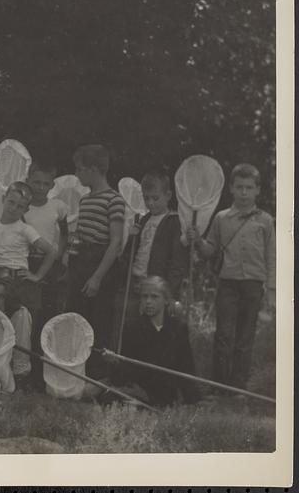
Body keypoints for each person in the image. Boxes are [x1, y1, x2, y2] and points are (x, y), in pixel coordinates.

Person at [187, 163, 276, 389]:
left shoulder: (265, 220)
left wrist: (272, 289)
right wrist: (197, 240)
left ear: (258, 190)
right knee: (224, 336)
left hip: (253, 286)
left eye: (249, 187)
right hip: (227, 285)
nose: (244, 192)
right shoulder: (221, 218)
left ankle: (238, 387)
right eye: (239, 187)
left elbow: (271, 256)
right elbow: (209, 251)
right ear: (232, 190)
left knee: (245, 339)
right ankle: (219, 386)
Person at [0, 181, 56, 363]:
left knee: (23, 323)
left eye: (20, 206)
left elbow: (51, 251)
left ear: (25, 210)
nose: (14, 208)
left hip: (20, 282)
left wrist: (37, 276)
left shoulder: (25, 230)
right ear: (3, 199)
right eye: (11, 202)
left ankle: (21, 368)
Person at [66, 144, 125, 377]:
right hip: (81, 262)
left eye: (80, 169)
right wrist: (69, 258)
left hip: (102, 265)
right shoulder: (86, 200)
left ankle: (98, 376)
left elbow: (116, 242)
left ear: (93, 169)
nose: (77, 174)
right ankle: (75, 369)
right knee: (77, 316)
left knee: (100, 321)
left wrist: (97, 277)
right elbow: (80, 237)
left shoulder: (114, 200)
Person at [106, 276, 199, 406]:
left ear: (166, 300)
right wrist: (115, 362)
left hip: (166, 393)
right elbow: (127, 370)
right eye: (145, 297)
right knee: (113, 398)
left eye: (154, 297)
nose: (148, 301)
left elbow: (187, 368)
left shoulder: (178, 328)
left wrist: (192, 402)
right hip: (140, 391)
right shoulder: (132, 327)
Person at [117, 170, 187, 334]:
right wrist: (131, 238)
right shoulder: (143, 219)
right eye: (146, 198)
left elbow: (178, 262)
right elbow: (130, 254)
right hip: (135, 281)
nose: (150, 203)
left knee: (154, 327)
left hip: (156, 285)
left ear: (168, 195)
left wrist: (169, 292)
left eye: (155, 198)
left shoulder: (174, 222)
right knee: (131, 324)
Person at [24, 162, 69, 318]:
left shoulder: (58, 207)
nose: (41, 187)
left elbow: (65, 233)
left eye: (46, 184)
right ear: (27, 181)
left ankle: (41, 341)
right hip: (26, 261)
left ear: (52, 185)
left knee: (48, 307)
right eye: (36, 182)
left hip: (49, 263)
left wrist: (60, 254)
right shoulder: (22, 206)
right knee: (26, 306)